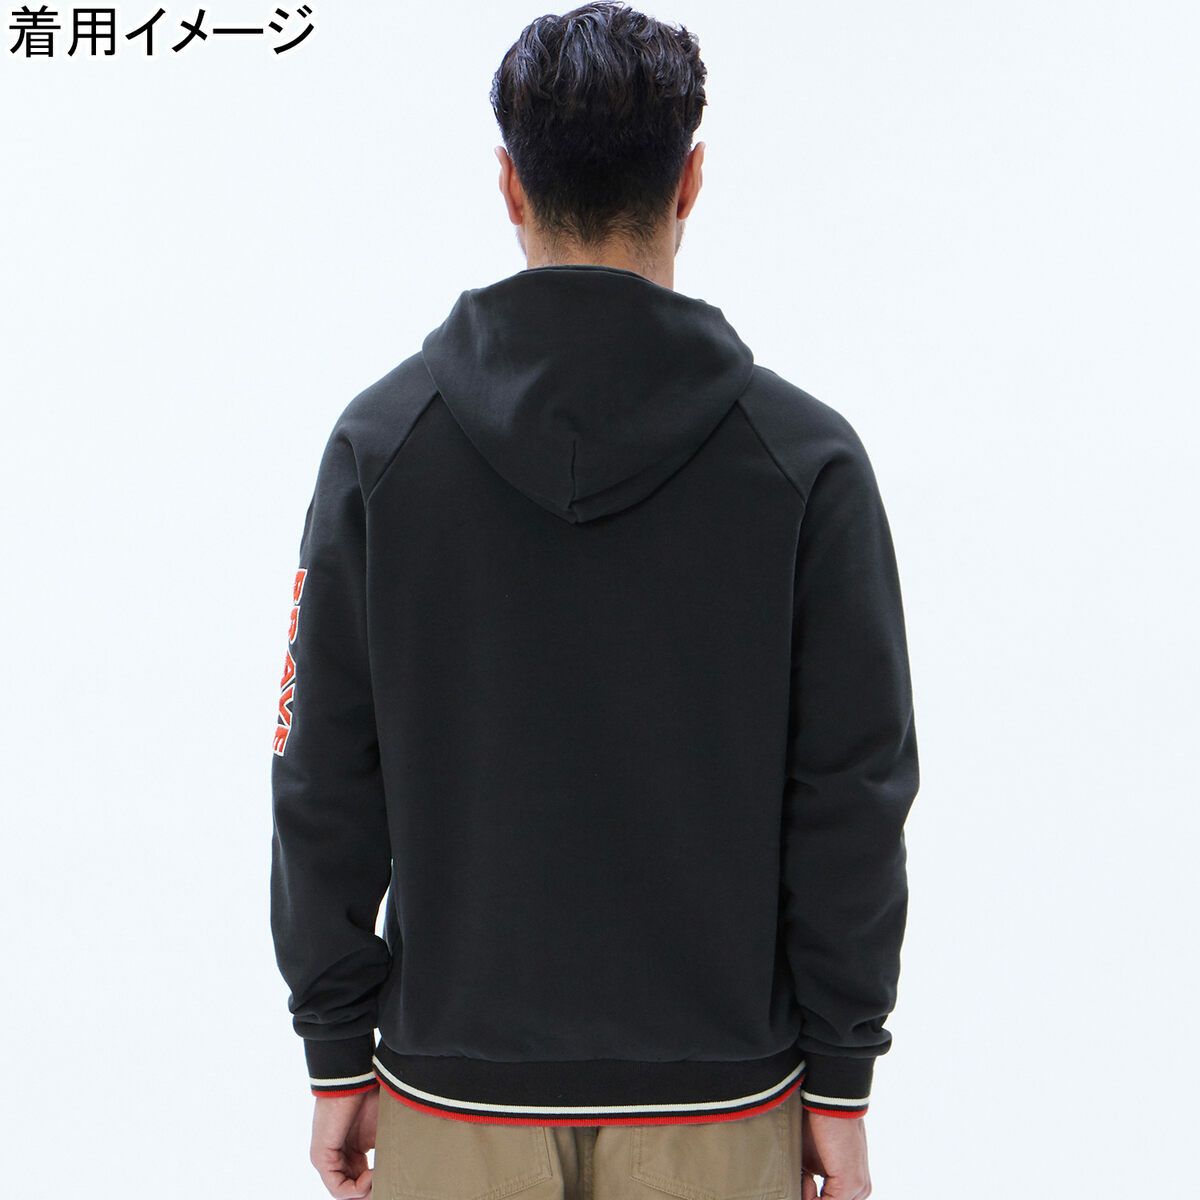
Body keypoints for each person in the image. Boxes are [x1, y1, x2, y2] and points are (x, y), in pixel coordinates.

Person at [268, 4, 919, 1197]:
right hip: (722, 1099)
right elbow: (852, 795)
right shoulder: (805, 463)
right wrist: (839, 1077)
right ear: (691, 182)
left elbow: (321, 777)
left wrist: (334, 1047)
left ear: (510, 185)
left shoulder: (381, 448)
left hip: (451, 1094)